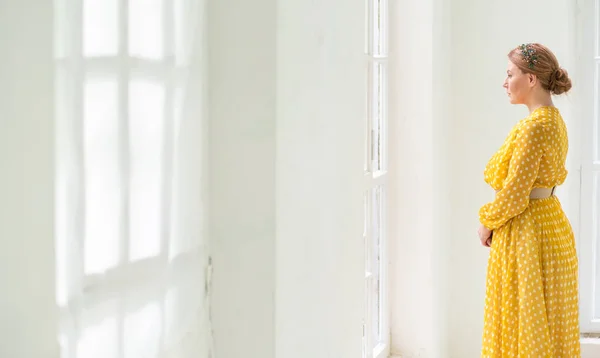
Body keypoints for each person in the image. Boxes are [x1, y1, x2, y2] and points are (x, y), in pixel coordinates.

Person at [477, 43, 580, 357]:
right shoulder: (554, 120)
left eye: (510, 74)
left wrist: (486, 222)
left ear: (532, 79)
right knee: (546, 320)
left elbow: (515, 195)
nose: (505, 82)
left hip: (528, 232)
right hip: (549, 225)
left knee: (524, 320)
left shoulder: (534, 128)